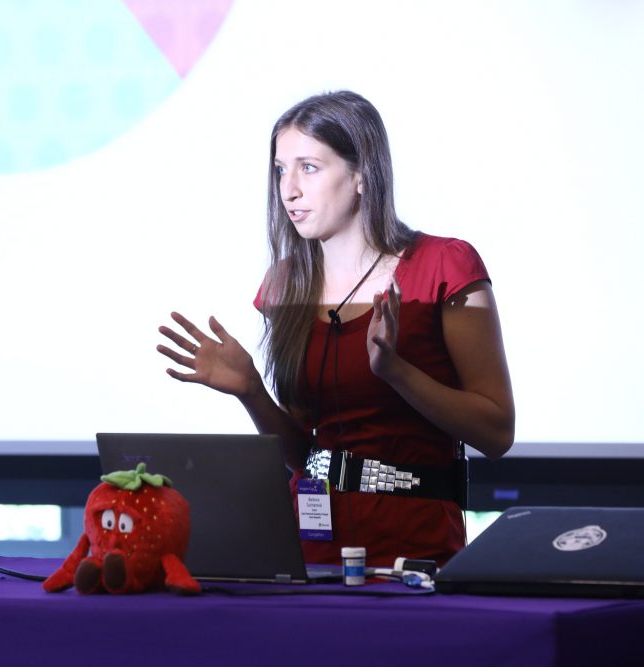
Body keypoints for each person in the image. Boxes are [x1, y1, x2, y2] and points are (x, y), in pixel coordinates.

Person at [157, 90, 514, 567]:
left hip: (414, 548)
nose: (288, 190)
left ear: (362, 174)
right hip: (312, 549)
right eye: (280, 170)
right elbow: (303, 451)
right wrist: (251, 391)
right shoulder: (284, 285)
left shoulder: (444, 265)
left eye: (309, 167)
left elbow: (497, 433)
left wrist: (396, 371)